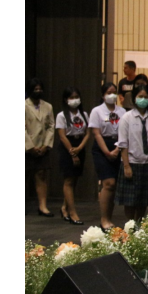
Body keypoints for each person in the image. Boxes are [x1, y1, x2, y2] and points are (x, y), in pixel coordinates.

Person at [115, 84, 148, 222]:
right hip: (132, 163)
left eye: (146, 97)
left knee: (143, 200)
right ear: (134, 98)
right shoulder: (127, 117)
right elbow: (123, 143)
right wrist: (126, 165)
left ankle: (139, 224)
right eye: (140, 96)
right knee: (130, 201)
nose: (143, 99)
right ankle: (130, 225)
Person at [89, 82, 125, 230]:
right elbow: (96, 133)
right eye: (109, 92)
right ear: (103, 95)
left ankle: (109, 218)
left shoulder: (122, 111)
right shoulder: (97, 111)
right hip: (102, 147)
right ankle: (103, 219)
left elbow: (124, 132)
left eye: (114, 92)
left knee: (114, 185)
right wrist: (107, 152)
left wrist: (117, 150)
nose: (112, 95)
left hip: (118, 145)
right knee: (108, 183)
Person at [55, 86, 90, 225]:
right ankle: (73, 212)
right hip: (67, 146)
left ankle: (64, 208)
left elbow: (88, 133)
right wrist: (72, 152)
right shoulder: (61, 115)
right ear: (66, 99)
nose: (74, 100)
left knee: (74, 179)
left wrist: (80, 148)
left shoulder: (84, 114)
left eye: (76, 97)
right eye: (71, 97)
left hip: (80, 145)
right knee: (68, 179)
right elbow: (62, 136)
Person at [25, 78, 55, 217]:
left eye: (40, 89)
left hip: (42, 147)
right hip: (27, 146)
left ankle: (42, 206)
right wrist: (30, 147)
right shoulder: (23, 105)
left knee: (41, 175)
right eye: (35, 89)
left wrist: (45, 145)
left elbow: (51, 126)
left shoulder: (48, 106)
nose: (38, 91)